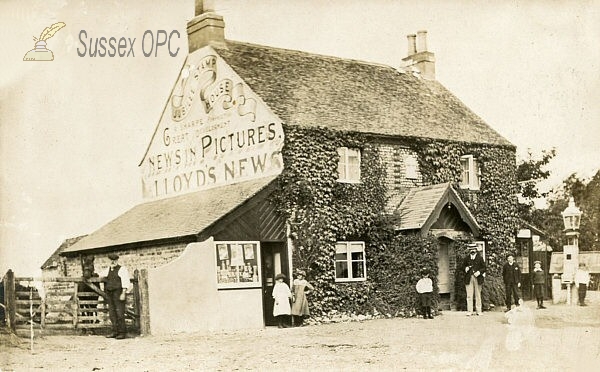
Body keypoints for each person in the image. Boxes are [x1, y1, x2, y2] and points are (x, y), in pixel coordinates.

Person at [99, 253, 131, 339]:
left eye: (114, 260)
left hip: (118, 294)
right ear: (109, 261)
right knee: (112, 314)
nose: (113, 262)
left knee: (120, 313)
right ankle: (115, 332)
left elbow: (125, 281)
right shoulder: (107, 270)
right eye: (111, 260)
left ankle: (122, 333)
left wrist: (123, 293)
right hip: (110, 294)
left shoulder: (122, 269)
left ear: (117, 261)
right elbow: (100, 275)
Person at [461, 243, 486, 316]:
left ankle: (479, 311)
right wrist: (465, 268)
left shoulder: (480, 258)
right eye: (471, 249)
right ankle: (470, 311)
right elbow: (462, 267)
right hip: (468, 278)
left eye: (474, 249)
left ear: (476, 250)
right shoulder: (466, 258)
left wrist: (479, 272)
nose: (472, 251)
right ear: (469, 250)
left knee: (478, 295)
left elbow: (484, 268)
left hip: (478, 278)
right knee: (469, 295)